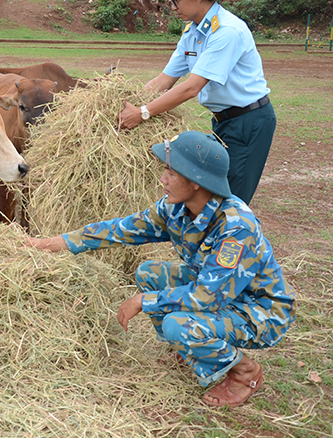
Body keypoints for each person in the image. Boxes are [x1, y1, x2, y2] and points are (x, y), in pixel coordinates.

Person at [26, 131, 295, 407]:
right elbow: (118, 230)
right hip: (221, 293)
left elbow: (208, 297)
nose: (163, 179)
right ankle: (188, 349)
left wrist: (145, 301)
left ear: (196, 182)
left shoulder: (236, 227)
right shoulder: (174, 209)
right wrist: (49, 244)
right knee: (149, 273)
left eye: (171, 172)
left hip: (260, 311)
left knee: (175, 324)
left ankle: (244, 372)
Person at [117, 0, 276, 204]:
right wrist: (132, 102)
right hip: (223, 121)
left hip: (248, 122)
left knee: (232, 202)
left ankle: (237, 241)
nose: (172, 6)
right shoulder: (192, 32)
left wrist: (143, 113)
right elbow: (165, 79)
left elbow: (192, 87)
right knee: (211, 194)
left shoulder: (226, 31)